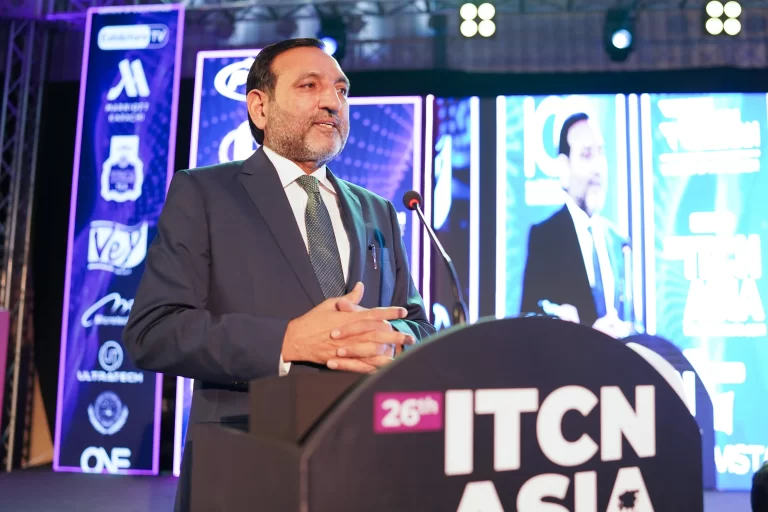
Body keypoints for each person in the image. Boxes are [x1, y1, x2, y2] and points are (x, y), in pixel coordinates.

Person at [122, 38, 435, 511]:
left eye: (342, 90)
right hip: (247, 463)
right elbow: (154, 332)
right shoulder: (203, 193)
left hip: (366, 463)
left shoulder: (379, 211)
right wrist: (287, 341)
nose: (333, 102)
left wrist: (391, 339)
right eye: (310, 86)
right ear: (260, 107)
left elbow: (417, 324)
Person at [520, 112, 632, 338]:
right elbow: (529, 318)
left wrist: (628, 330)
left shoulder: (618, 241)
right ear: (564, 167)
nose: (598, 167)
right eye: (587, 154)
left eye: (601, 153)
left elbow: (632, 320)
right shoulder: (545, 237)